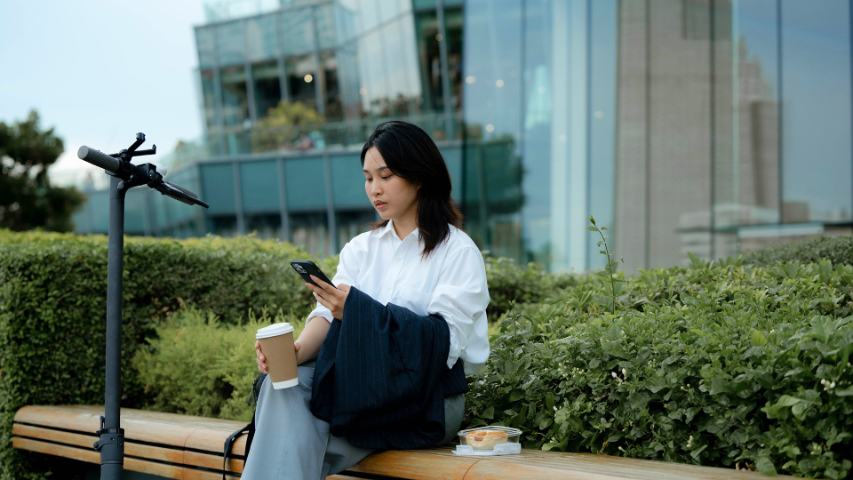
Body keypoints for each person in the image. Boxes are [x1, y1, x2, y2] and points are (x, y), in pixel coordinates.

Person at [242, 120, 490, 479]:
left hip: (427, 402)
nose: (374, 189)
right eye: (368, 178)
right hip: (359, 389)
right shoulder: (361, 249)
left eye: (385, 175)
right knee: (282, 385)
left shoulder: (457, 252)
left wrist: (357, 312)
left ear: (419, 176)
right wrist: (296, 353)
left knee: (292, 443)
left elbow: (441, 345)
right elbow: (327, 314)